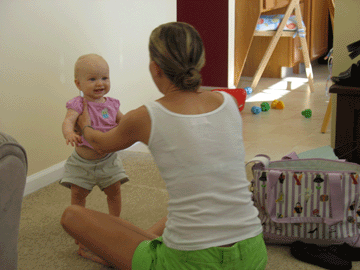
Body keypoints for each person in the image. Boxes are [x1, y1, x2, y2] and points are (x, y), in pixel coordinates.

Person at [61, 22, 268, 269]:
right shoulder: (228, 102)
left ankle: (132, 251)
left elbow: (100, 144)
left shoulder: (146, 115)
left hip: (189, 262)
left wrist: (84, 125)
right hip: (254, 254)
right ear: (199, 61)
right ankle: (143, 244)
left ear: (155, 68)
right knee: (187, 208)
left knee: (72, 216)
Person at [60, 54, 129, 260]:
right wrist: (69, 133)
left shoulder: (113, 104)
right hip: (82, 163)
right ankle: (79, 228)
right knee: (78, 196)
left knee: (114, 192)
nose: (100, 83)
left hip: (108, 160)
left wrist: (129, 128)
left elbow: (124, 122)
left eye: (104, 78)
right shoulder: (78, 104)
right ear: (78, 83)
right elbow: (67, 121)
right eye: (92, 79)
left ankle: (113, 223)